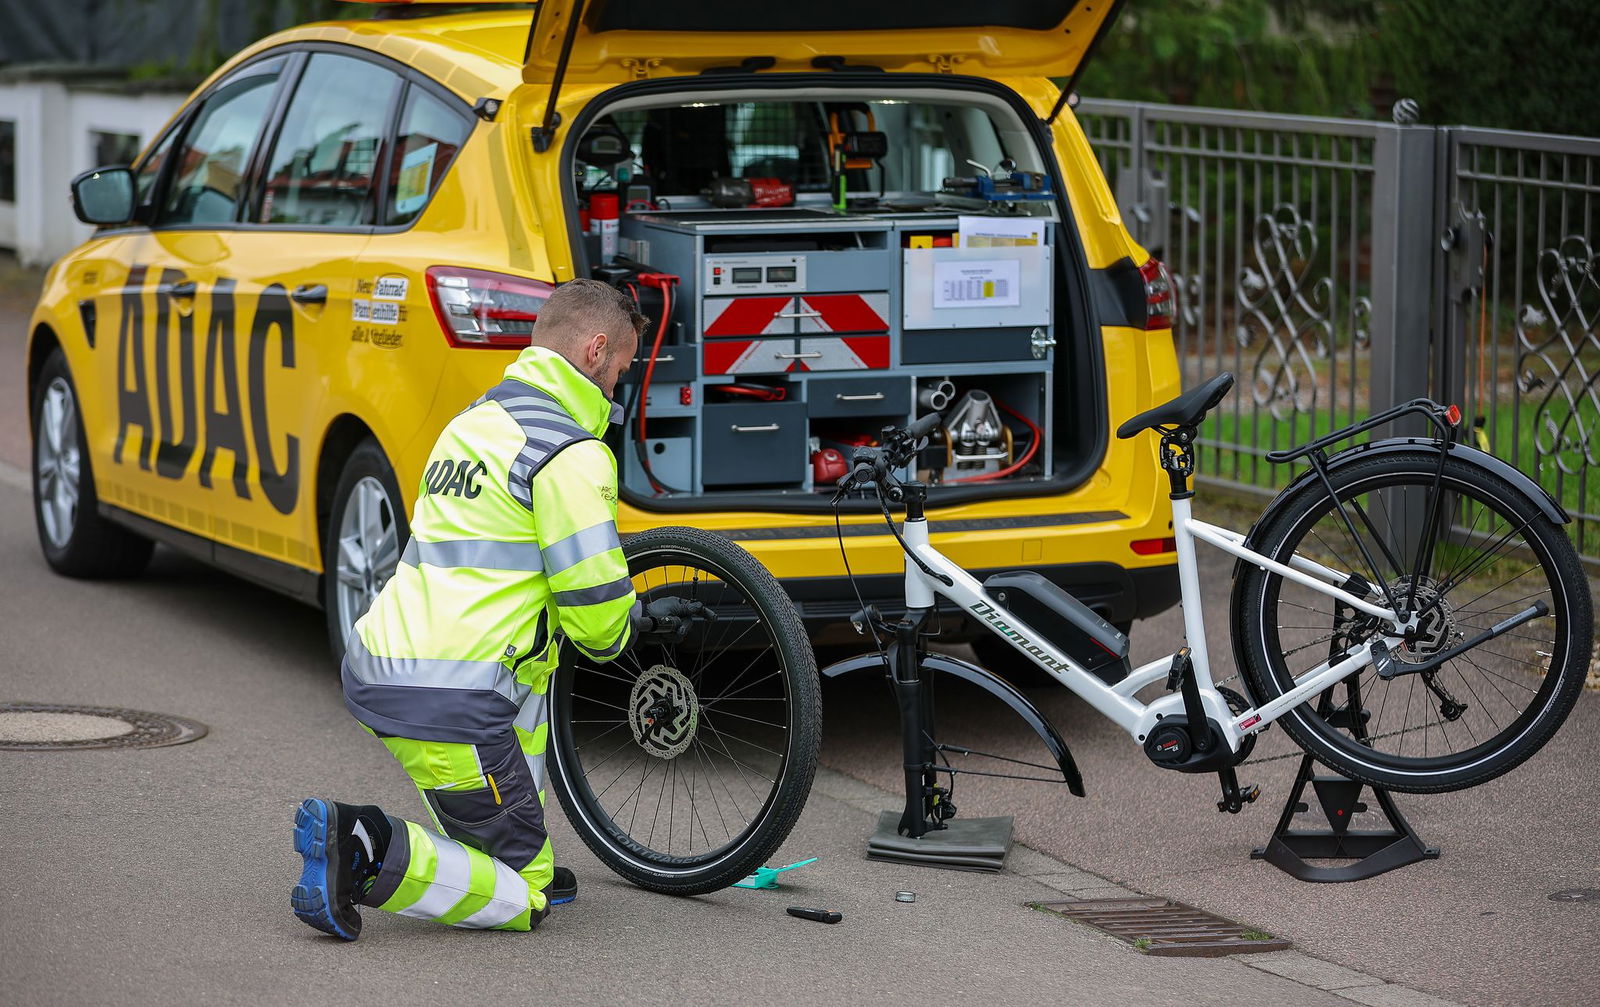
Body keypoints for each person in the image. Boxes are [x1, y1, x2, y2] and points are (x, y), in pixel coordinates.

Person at [291, 277, 699, 940]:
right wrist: (640, 615)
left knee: (531, 667)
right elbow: (598, 626)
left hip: (382, 665)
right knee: (523, 895)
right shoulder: (570, 452)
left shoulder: (471, 422)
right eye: (621, 369)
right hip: (452, 699)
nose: (619, 387)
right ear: (596, 351)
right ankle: (363, 846)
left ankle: (504, 840)